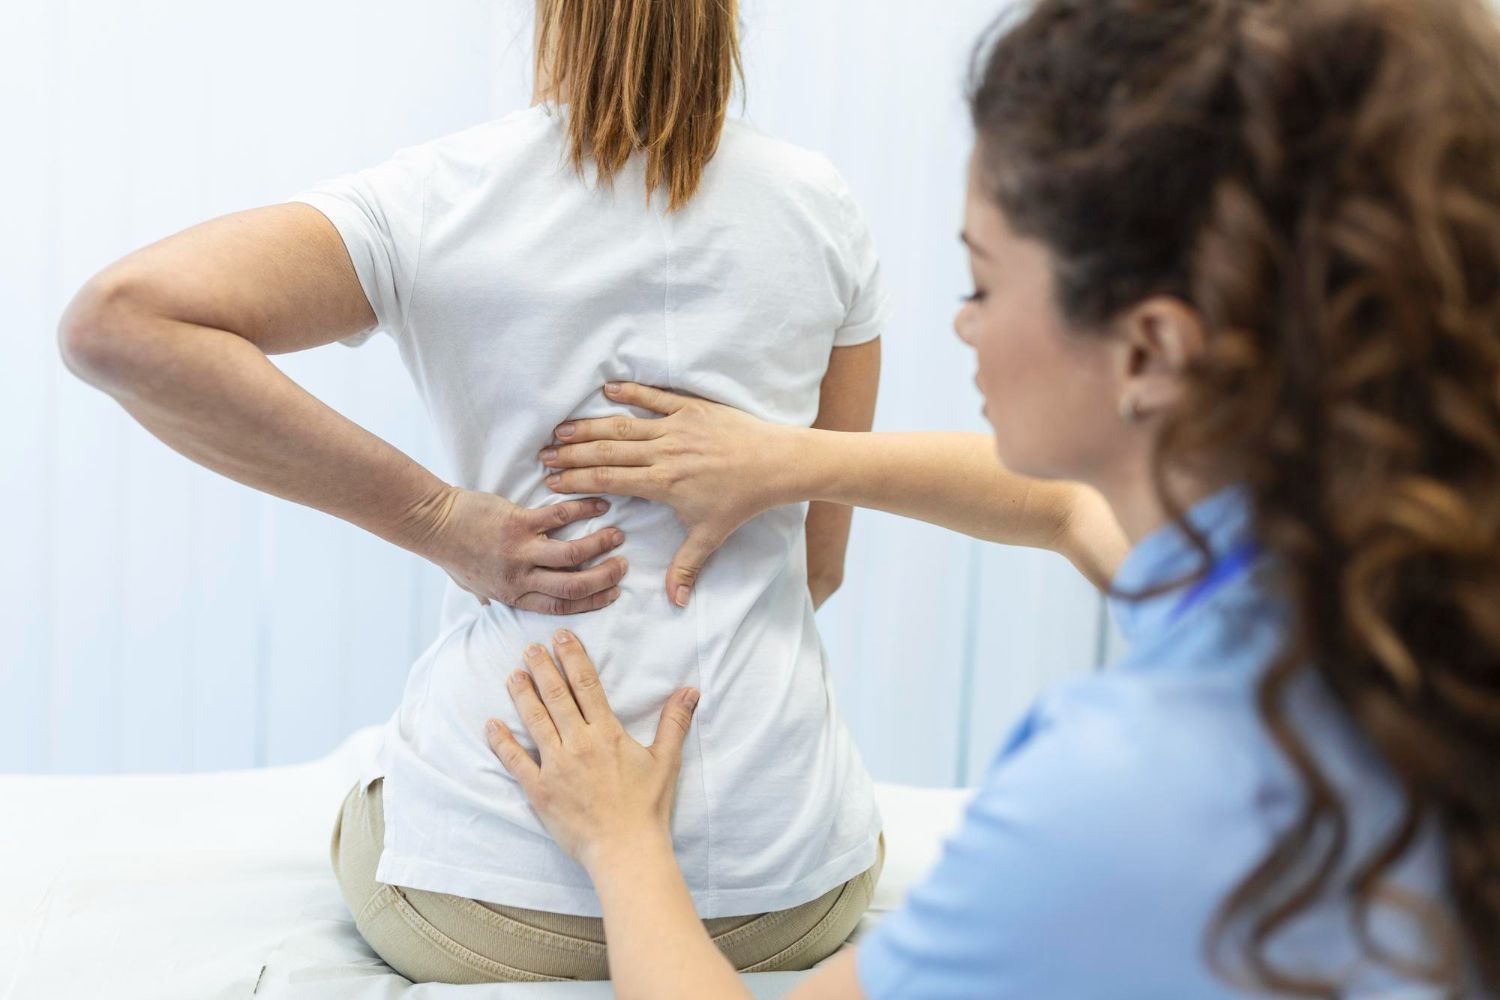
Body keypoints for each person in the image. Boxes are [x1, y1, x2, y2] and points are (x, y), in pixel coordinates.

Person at [483, 0, 1500, 996]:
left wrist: (621, 844)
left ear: (1149, 348)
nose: (964, 328)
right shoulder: (1374, 576)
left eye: (982, 283)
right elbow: (1059, 511)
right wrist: (795, 459)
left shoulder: (1116, 795)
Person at [50, 0, 1046, 984]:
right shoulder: (819, 203)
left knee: (374, 775)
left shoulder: (443, 193)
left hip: (481, 902)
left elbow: (121, 322)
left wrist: (438, 519)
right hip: (789, 888)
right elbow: (819, 568)